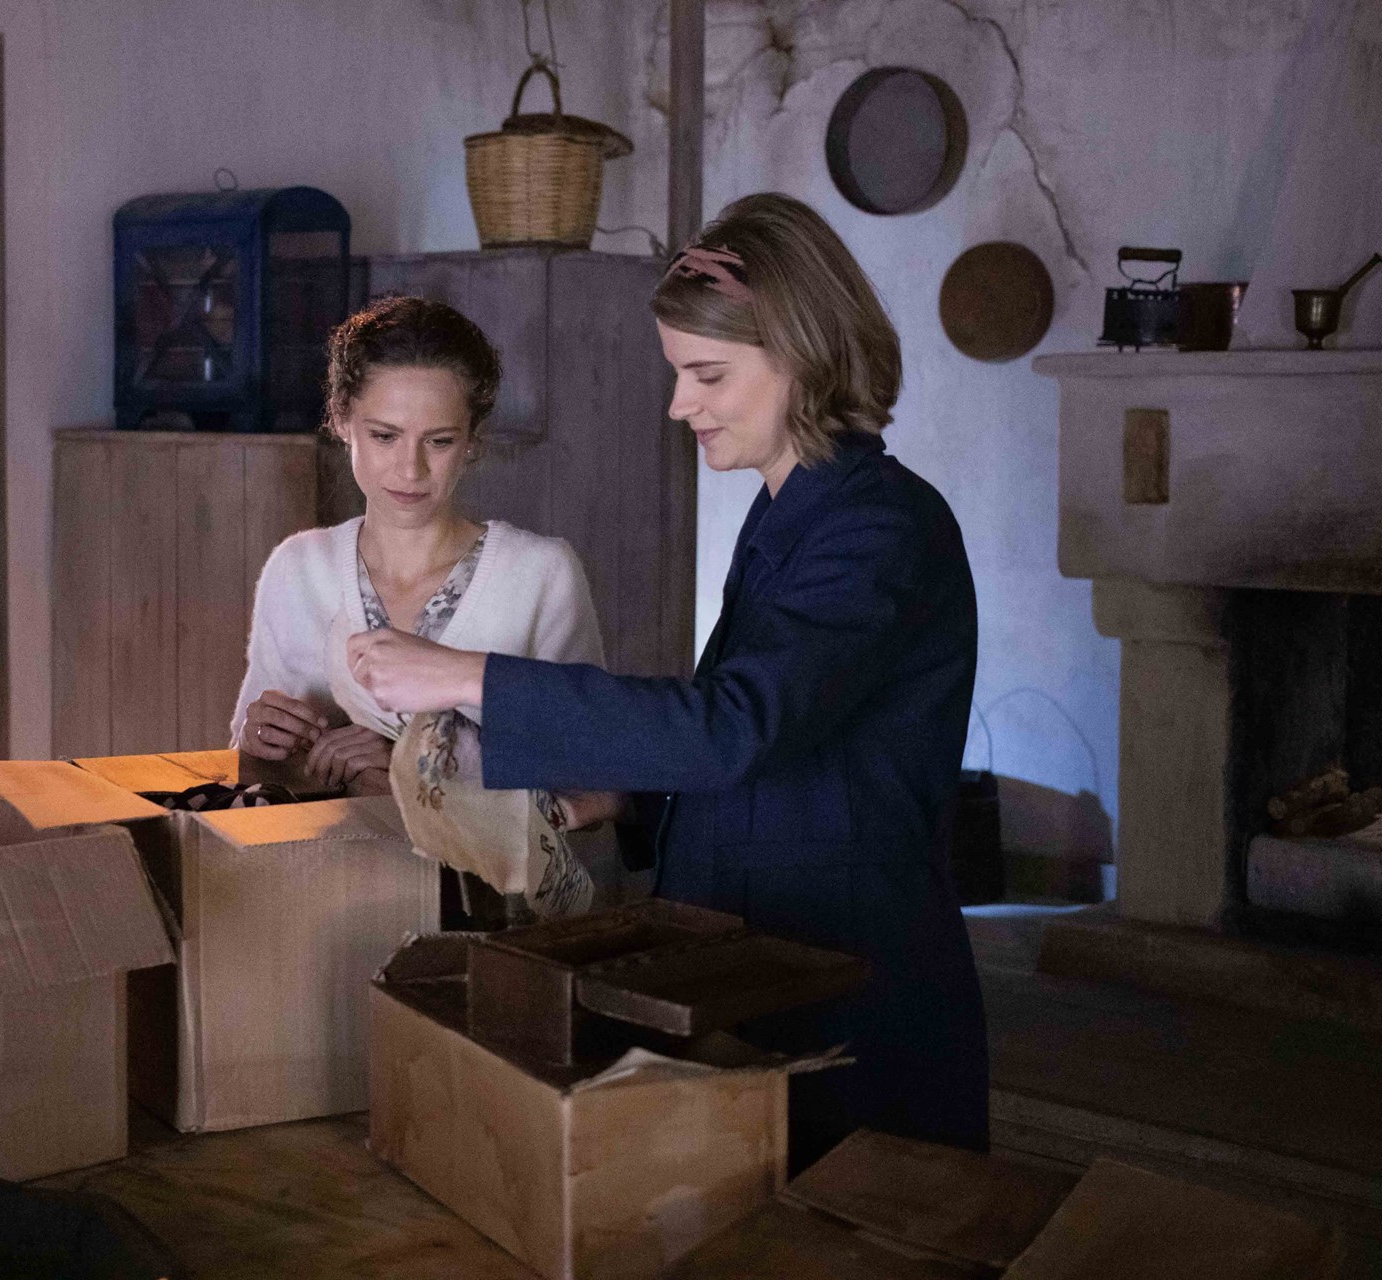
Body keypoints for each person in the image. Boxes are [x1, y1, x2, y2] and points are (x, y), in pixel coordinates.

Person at [344, 193, 990, 1170]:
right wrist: (625, 800)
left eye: (708, 374)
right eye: (678, 372)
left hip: (847, 975)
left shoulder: (881, 525)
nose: (681, 404)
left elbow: (736, 725)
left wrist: (466, 675)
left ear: (804, 355)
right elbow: (790, 744)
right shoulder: (791, 512)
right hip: (764, 959)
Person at [232, 294, 602, 804]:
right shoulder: (297, 569)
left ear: (472, 439)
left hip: (480, 862)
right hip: (324, 855)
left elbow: (590, 779)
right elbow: (249, 775)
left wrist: (415, 763)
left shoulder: (540, 575)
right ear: (342, 419)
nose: (410, 470)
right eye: (385, 436)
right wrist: (260, 740)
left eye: (439, 441)